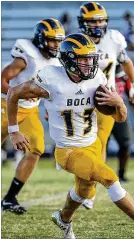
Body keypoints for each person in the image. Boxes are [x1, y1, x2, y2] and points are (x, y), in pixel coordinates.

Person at [7, 33, 134, 239]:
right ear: (68, 59)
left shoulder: (97, 77)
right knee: (109, 177)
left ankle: (63, 219)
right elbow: (13, 94)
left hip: (91, 144)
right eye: (82, 59)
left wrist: (118, 102)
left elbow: (120, 117)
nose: (88, 64)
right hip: (68, 150)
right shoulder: (50, 78)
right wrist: (14, 130)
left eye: (90, 59)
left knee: (84, 192)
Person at [77, 1, 134, 209]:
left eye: (102, 20)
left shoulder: (114, 38)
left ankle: (90, 191)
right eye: (94, 21)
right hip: (79, 99)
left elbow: (126, 61)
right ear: (83, 23)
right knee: (83, 147)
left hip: (105, 98)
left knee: (100, 143)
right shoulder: (75, 41)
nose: (99, 24)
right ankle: (85, 187)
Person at [1, 18, 65, 214]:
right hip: (5, 105)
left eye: (59, 40)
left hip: (29, 110)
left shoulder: (55, 62)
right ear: (40, 39)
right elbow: (3, 79)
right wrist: (15, 94)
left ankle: (10, 197)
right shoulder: (26, 55)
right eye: (52, 40)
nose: (56, 45)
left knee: (36, 147)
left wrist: (51, 110)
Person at [111, 63, 134, 182]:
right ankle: (95, 174)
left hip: (119, 114)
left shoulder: (124, 77)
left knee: (125, 144)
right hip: (101, 114)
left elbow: (133, 97)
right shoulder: (98, 74)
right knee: (100, 146)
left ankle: (122, 174)